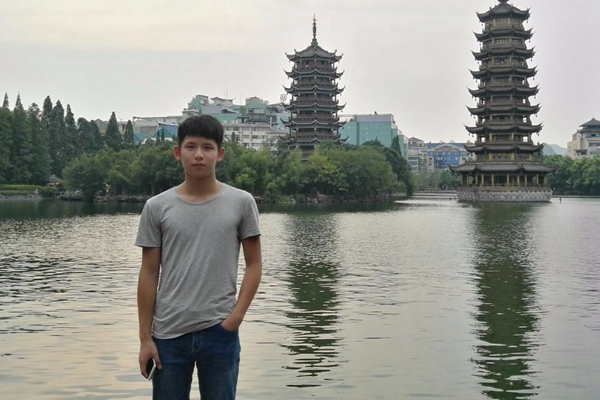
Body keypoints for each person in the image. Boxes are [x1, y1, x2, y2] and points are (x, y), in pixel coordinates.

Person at [135, 115, 262, 400]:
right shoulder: (157, 207)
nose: (199, 155)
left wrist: (235, 318)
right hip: (168, 334)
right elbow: (149, 273)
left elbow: (254, 264)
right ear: (177, 152)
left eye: (207, 147)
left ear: (220, 154)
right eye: (191, 147)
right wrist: (145, 337)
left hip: (220, 331)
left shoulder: (241, 203)